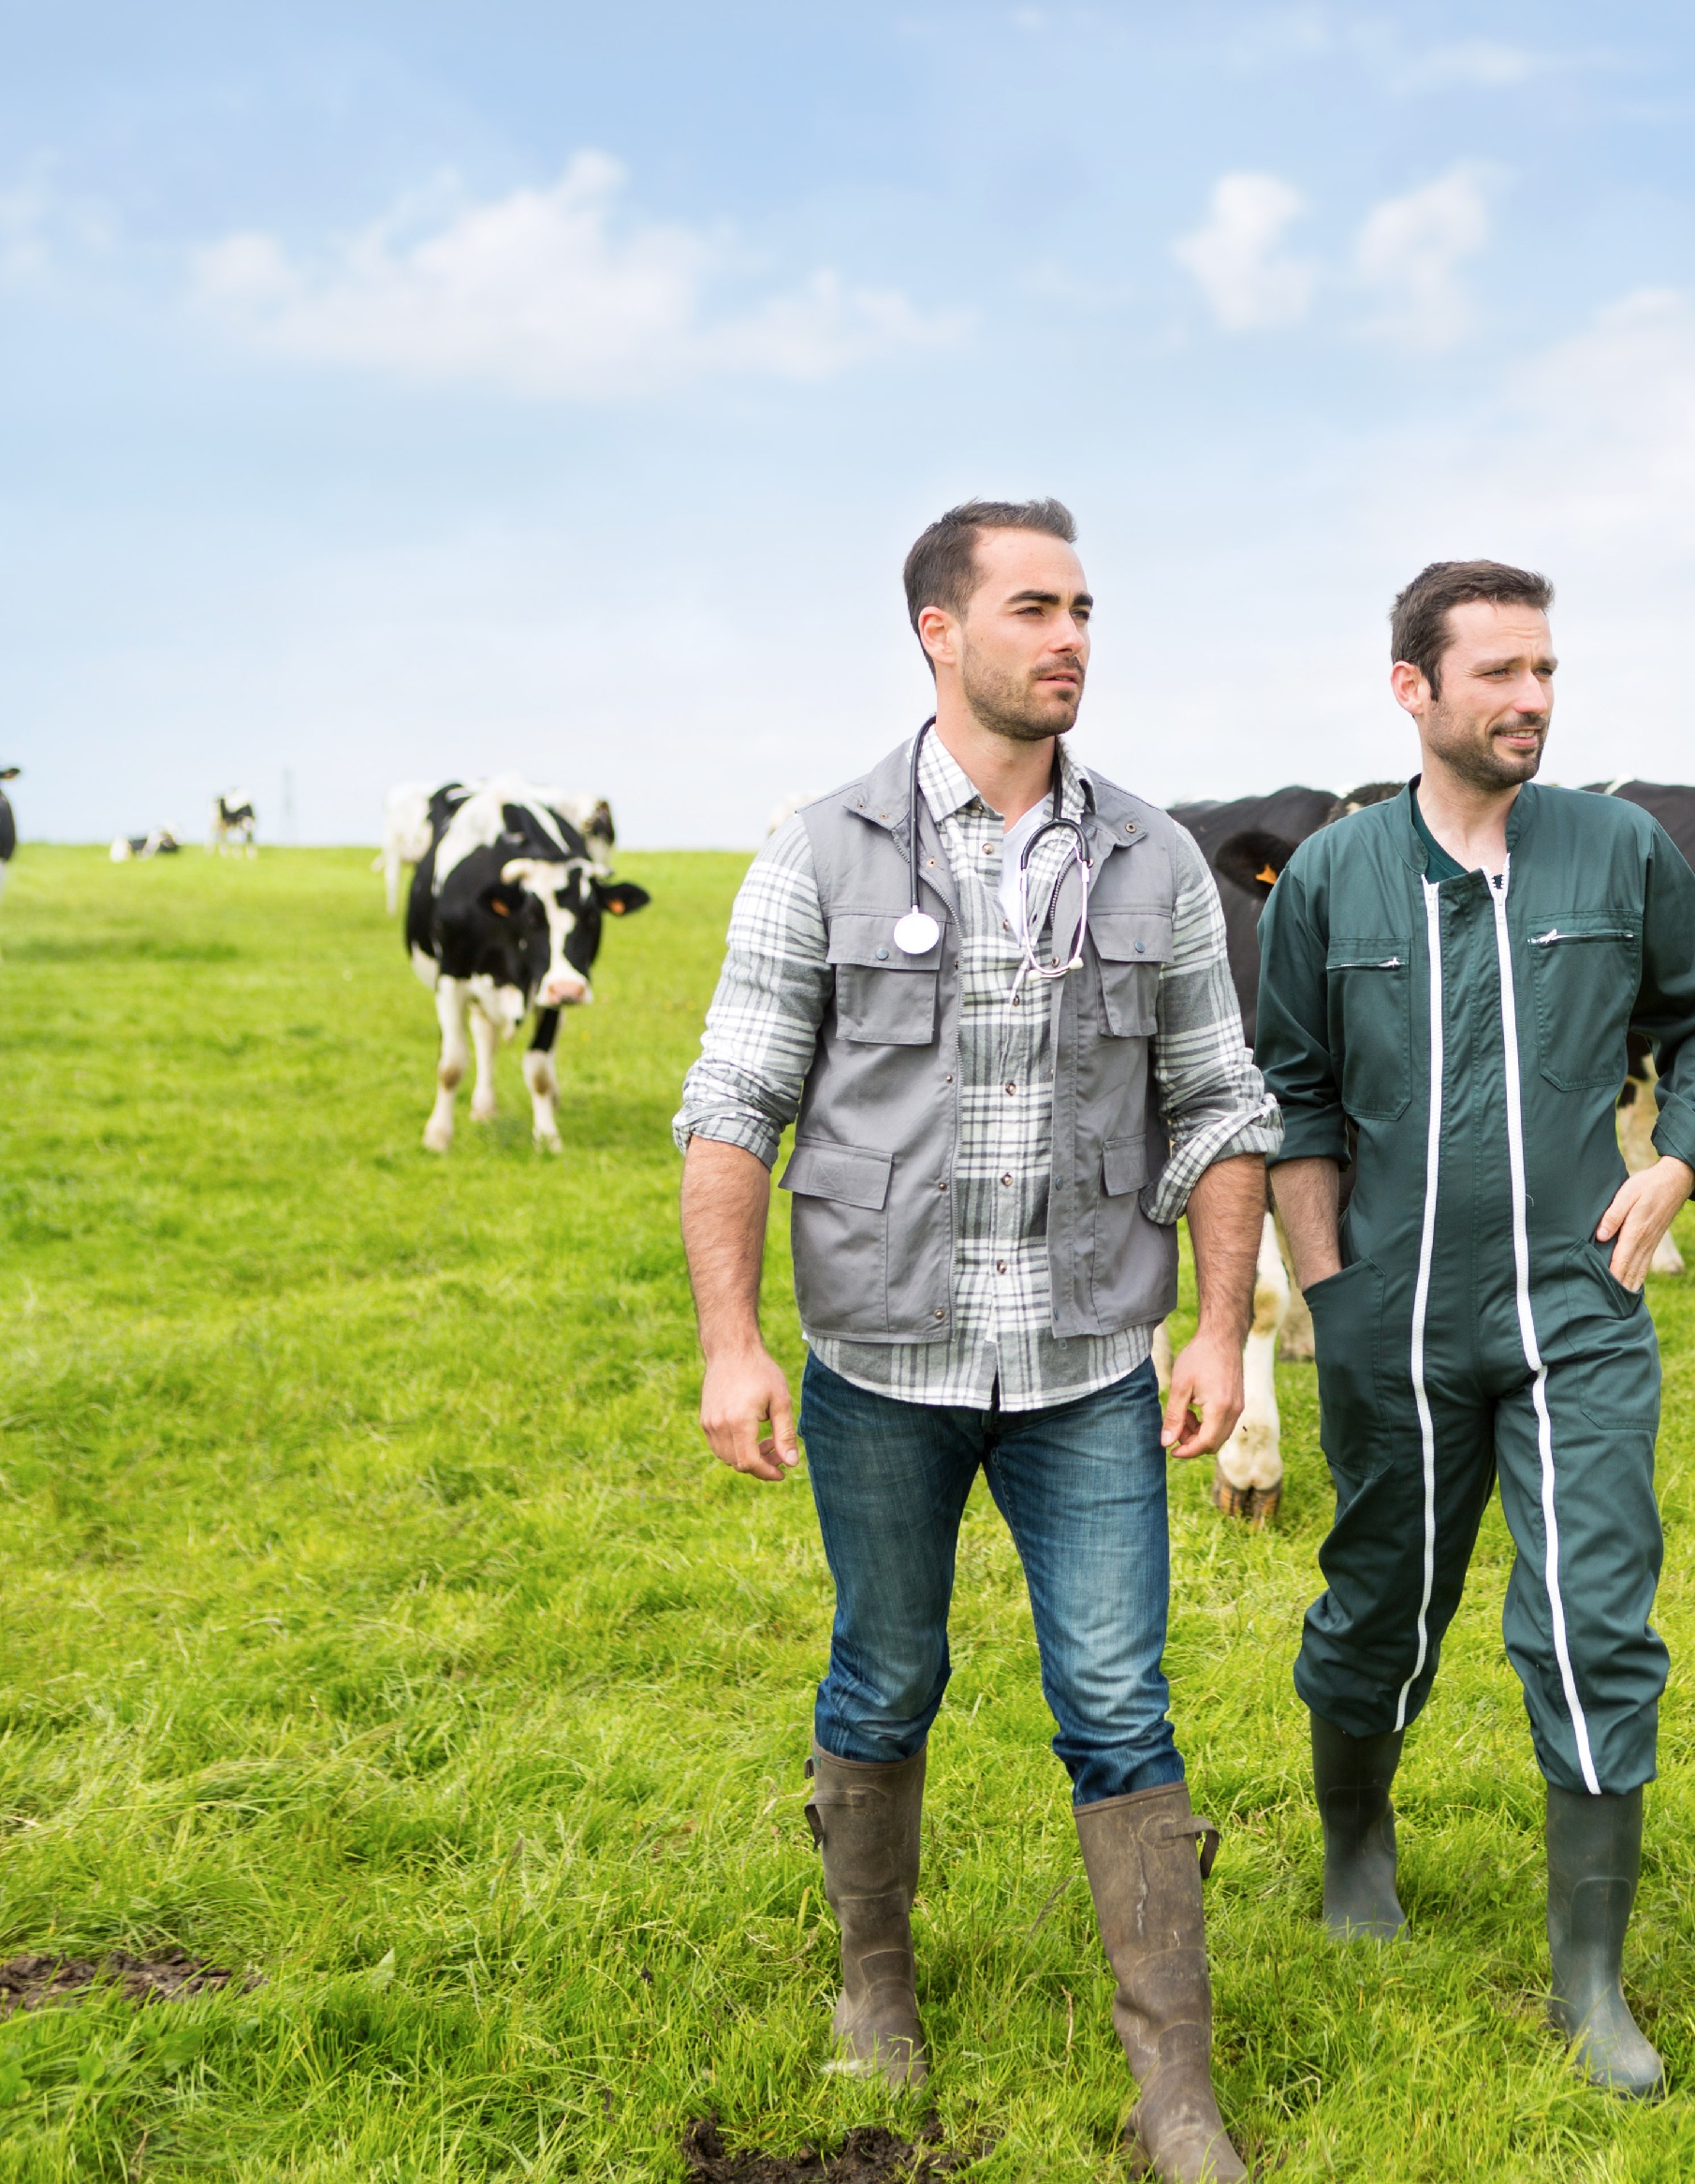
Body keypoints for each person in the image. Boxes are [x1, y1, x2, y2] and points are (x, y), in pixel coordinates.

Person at [675, 498, 1271, 2183]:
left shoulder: (1155, 858)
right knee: (888, 1668)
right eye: (1033, 606)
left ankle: (1178, 2089)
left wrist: (1221, 1332)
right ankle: (876, 1984)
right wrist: (735, 1343)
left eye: (1083, 604)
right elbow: (735, 1103)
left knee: (1117, 1699)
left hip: (1088, 1360)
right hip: (881, 1360)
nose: (1070, 633)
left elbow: (1220, 1104)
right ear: (939, 633)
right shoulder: (821, 848)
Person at [1252, 559, 1695, 2095]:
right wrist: (1330, 1292)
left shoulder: (1621, 849)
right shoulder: (1335, 878)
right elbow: (1296, 1097)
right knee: (1382, 1611)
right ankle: (1354, 1841)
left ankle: (1590, 1985)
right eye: (1500, 674)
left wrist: (1679, 1155)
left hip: (1576, 1311)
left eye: (1546, 669)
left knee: (1595, 1620)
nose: (1533, 698)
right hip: (1391, 1319)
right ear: (1415, 688)